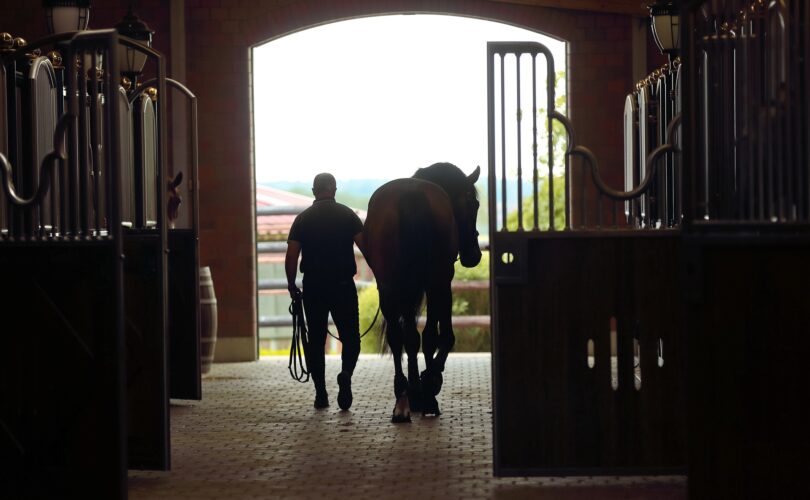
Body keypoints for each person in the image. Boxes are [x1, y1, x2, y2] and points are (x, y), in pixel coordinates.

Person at [285, 173, 365, 410]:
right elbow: (366, 248)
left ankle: (321, 394)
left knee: (316, 340)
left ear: (313, 191)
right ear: (334, 189)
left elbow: (291, 256)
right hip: (342, 285)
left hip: (314, 287)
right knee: (351, 338)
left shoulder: (302, 219)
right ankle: (346, 374)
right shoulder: (348, 215)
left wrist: (292, 285)